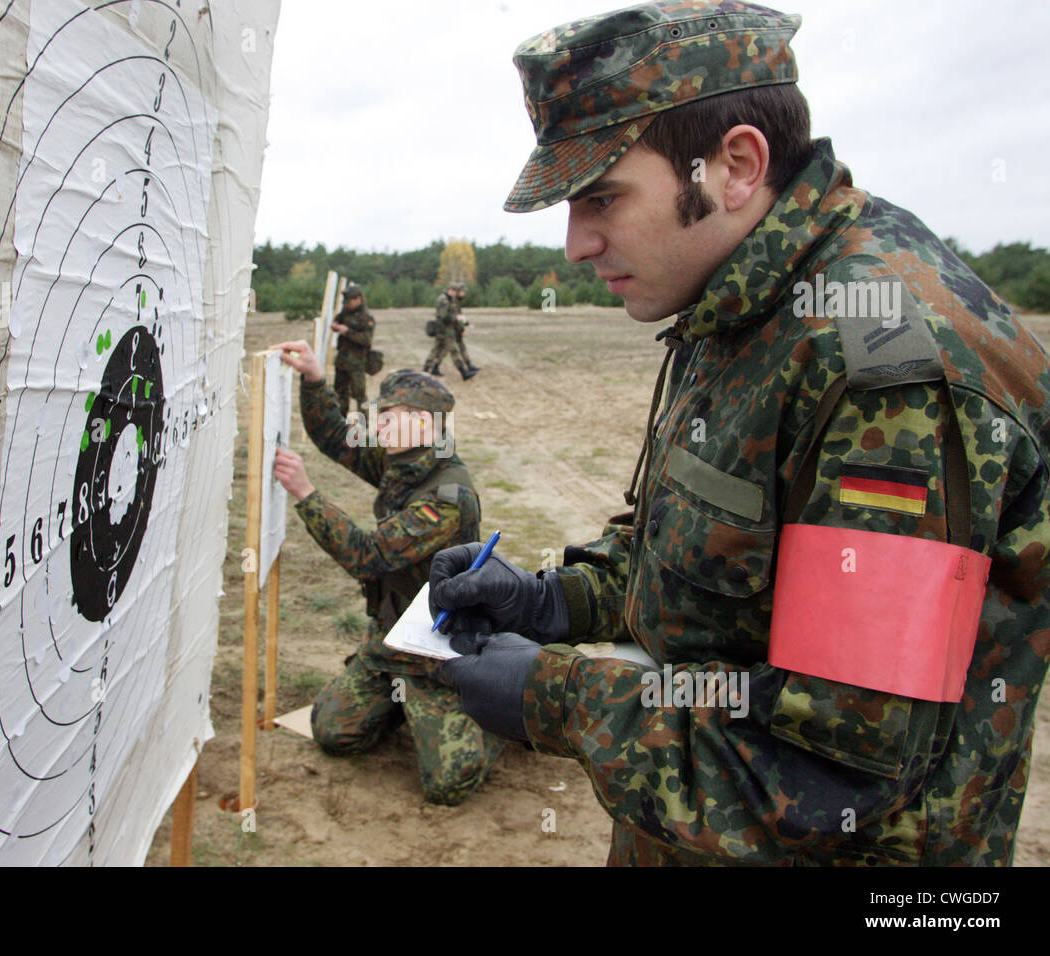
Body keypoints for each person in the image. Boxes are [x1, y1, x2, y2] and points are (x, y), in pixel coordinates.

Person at [433, 0, 1050, 865]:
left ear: (736, 166)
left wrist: (553, 697)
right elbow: (714, 571)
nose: (576, 243)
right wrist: (552, 602)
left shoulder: (885, 374)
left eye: (602, 197)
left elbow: (830, 772)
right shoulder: (741, 297)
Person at [269, 340, 502, 805]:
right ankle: (401, 702)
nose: (378, 425)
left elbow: (367, 555)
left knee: (448, 784)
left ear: (424, 423)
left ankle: (492, 716)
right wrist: (314, 378)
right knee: (333, 732)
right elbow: (335, 437)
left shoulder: (447, 498)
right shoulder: (404, 463)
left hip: (441, 651)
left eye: (390, 417)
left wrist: (306, 494)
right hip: (395, 638)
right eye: (380, 415)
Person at [331, 283, 374, 413]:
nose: (347, 304)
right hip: (342, 361)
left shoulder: (366, 317)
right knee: (340, 393)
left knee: (359, 394)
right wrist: (335, 326)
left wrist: (348, 332)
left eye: (350, 301)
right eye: (345, 301)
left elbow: (366, 340)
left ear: (358, 299)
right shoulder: (345, 313)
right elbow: (336, 321)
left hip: (357, 362)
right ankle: (341, 421)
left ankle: (365, 422)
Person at [424, 281, 478, 380]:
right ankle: (464, 372)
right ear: (450, 290)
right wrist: (455, 318)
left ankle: (427, 369)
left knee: (437, 350)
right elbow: (443, 316)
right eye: (455, 291)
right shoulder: (443, 300)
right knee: (454, 351)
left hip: (447, 329)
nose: (456, 294)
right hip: (444, 330)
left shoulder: (449, 300)